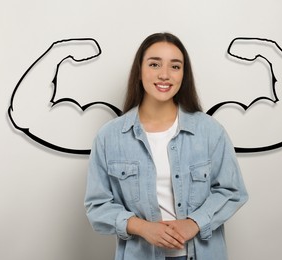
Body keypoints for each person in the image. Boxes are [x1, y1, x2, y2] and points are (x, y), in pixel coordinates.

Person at [84, 32, 248, 260]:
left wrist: (194, 223)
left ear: (184, 75)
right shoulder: (109, 137)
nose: (164, 75)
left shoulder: (210, 131)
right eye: (154, 64)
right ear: (139, 72)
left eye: (175, 66)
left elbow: (232, 191)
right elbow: (97, 205)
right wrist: (142, 227)